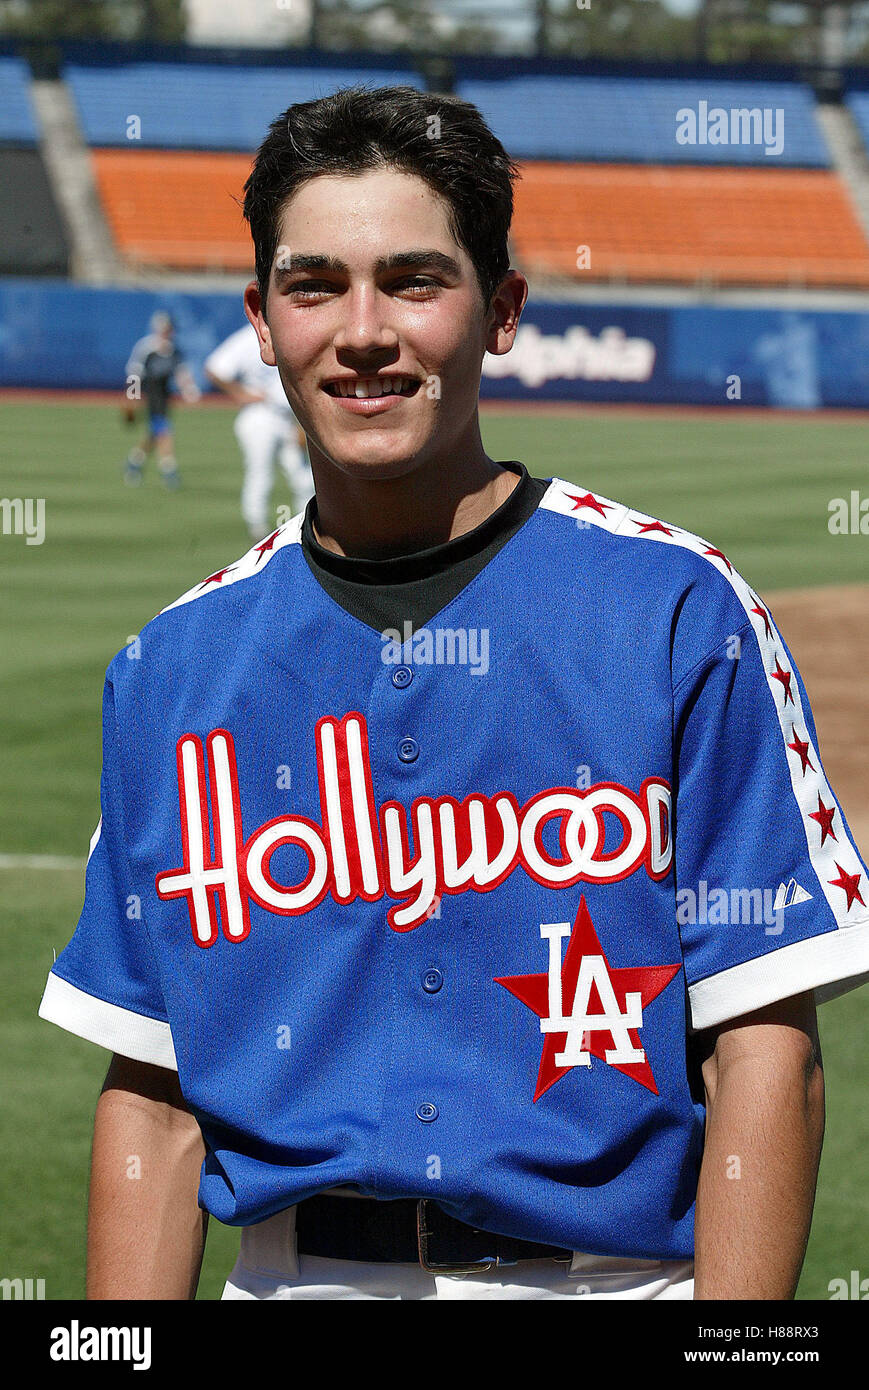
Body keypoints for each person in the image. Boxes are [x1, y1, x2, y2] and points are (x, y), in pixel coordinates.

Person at [40, 85, 869, 1301]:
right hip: (289, 1279)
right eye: (314, 284)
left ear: (502, 310)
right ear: (262, 321)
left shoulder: (673, 609)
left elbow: (760, 1048)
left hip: (606, 1283)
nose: (362, 330)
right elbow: (154, 1099)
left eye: (414, 281)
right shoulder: (172, 668)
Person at [204, 320, 314, 541]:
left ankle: (308, 530)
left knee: (304, 477)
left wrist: (302, 424)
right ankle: (258, 530)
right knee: (261, 473)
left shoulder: (290, 333)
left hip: (288, 417)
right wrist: (240, 393)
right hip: (260, 415)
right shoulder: (248, 337)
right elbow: (214, 368)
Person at [121, 310, 200, 489]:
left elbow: (181, 372)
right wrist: (132, 397)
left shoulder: (173, 350)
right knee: (164, 431)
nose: (168, 332)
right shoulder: (146, 348)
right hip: (150, 394)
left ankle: (134, 462)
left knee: (154, 433)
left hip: (164, 395)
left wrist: (189, 390)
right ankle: (169, 470)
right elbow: (134, 372)